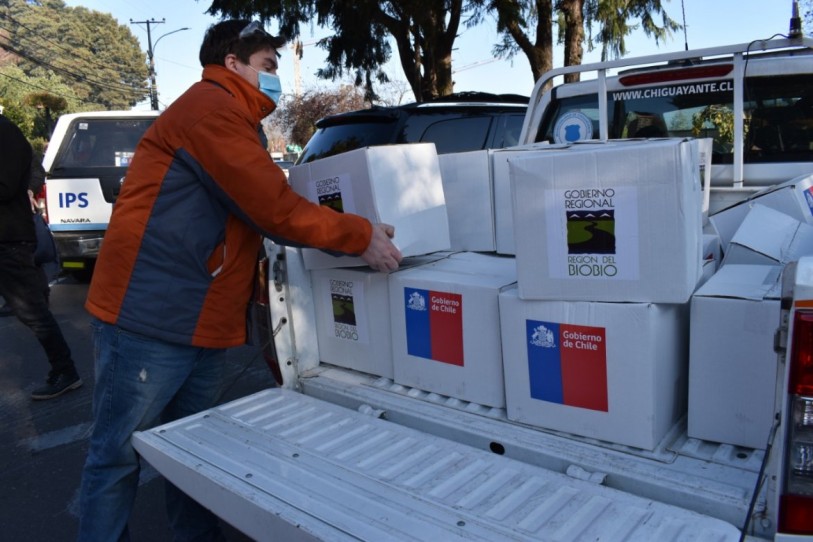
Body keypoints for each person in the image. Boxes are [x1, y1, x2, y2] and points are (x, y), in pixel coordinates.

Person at [77, 19, 402, 542]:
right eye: (269, 67)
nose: (276, 80)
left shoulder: (235, 118)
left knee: (192, 451)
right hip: (150, 316)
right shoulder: (212, 110)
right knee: (115, 456)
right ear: (233, 63)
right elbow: (271, 209)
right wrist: (358, 234)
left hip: (199, 313)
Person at [0, 115, 83, 400]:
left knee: (32, 312)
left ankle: (66, 371)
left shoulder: (5, 131)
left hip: (8, 239)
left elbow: (7, 186)